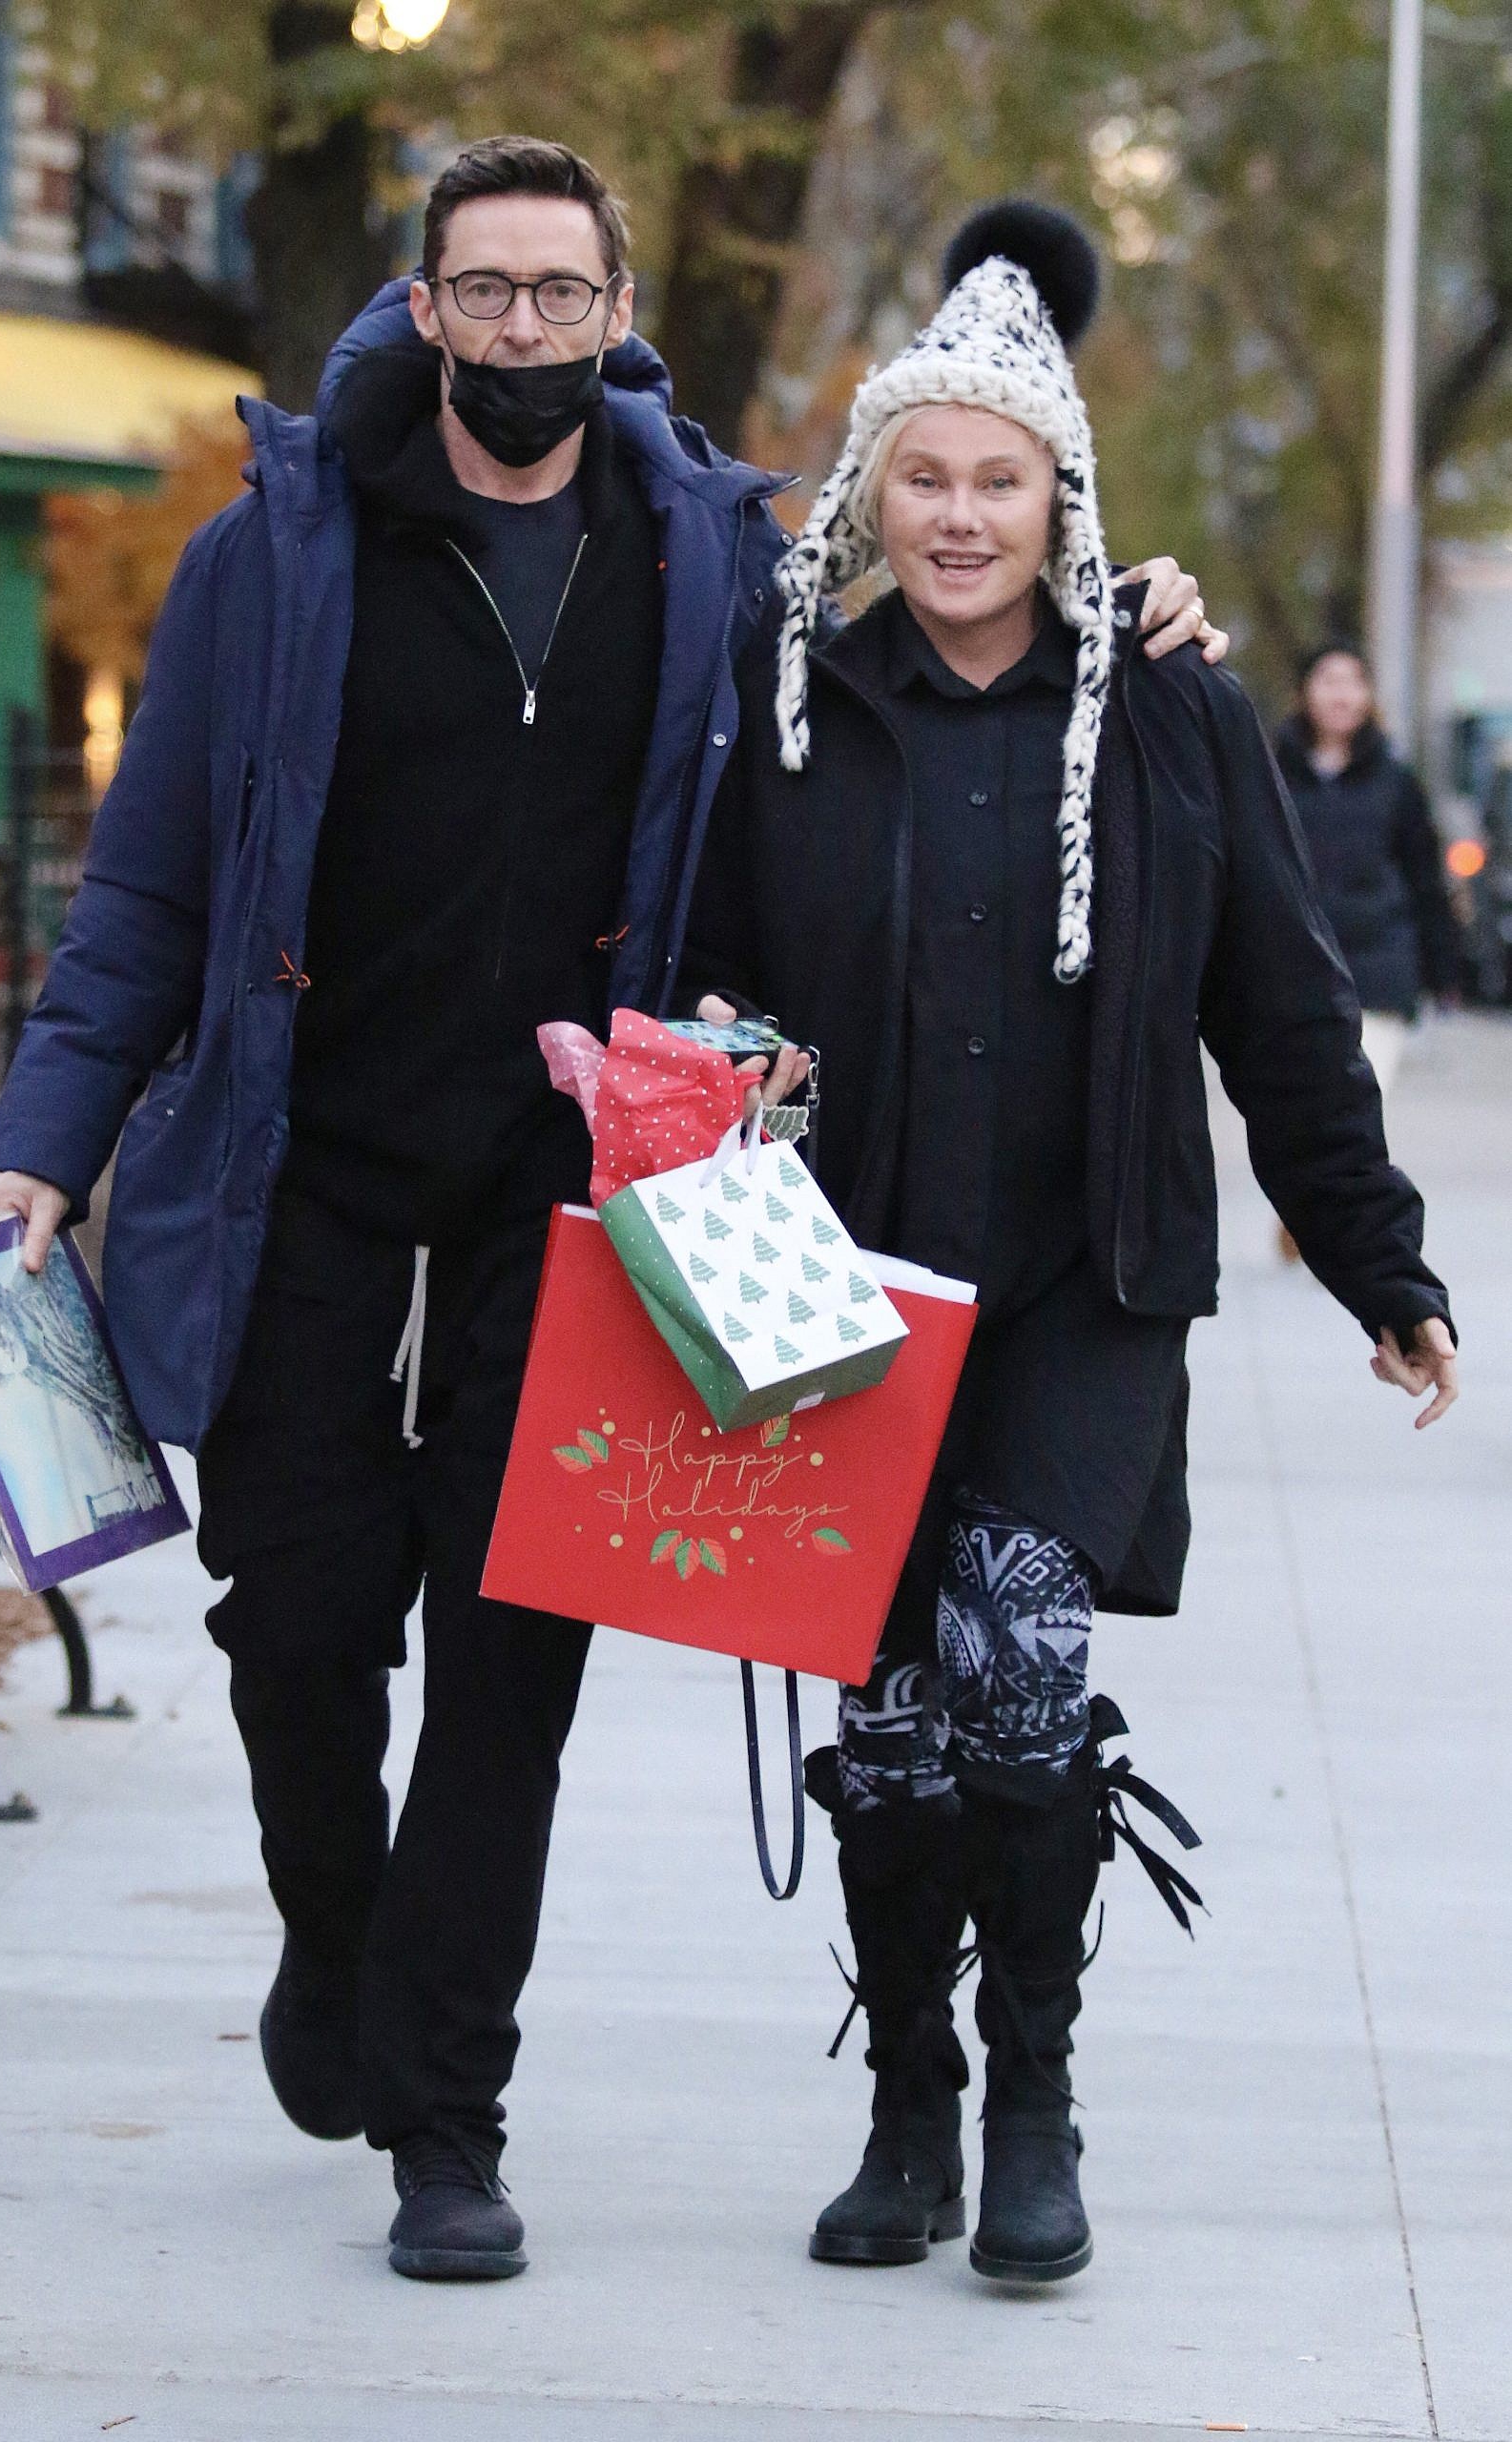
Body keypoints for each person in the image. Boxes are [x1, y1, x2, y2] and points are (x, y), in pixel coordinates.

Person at [0, 142, 1223, 2285]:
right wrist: (39, 1142)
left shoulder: (709, 558)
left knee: (507, 1661)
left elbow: (922, 672)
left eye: (564, 292)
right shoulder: (274, 555)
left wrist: (1126, 618)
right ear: (427, 303)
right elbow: (149, 892)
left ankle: (447, 2120)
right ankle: (333, 1929)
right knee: (297, 1623)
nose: (527, 328)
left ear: (617, 303)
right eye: (489, 292)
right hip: (314, 1173)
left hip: (577, 1200)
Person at [681, 200, 1459, 2289]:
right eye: (920, 477)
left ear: (1059, 495)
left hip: (1079, 1287)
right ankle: (906, 2100)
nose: (956, 518)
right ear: (876, 491)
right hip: (834, 1295)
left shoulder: (1174, 713)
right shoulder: (793, 707)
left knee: (1021, 1684)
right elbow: (702, 989)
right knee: (895, 1730)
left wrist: (1381, 1261)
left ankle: (1034, 2097)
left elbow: (1278, 1004)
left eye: (996, 481)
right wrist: (723, 1073)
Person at [1275, 645, 1461, 1100]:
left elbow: (1425, 879)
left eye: (1353, 683)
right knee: (1303, 1112)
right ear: (1305, 692)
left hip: (1378, 974)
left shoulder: (1396, 781)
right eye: (1328, 681)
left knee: (1357, 1107)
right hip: (1293, 973)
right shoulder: (1271, 774)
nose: (1341, 696)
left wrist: (1443, 972)